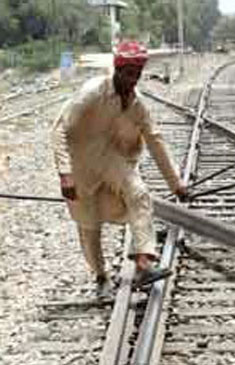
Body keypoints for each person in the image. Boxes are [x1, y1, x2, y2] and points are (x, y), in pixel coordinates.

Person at [51, 41, 188, 298]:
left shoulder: (137, 105)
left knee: (138, 193)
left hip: (108, 158)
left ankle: (143, 263)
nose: (133, 79)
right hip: (78, 159)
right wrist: (65, 173)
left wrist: (175, 184)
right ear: (117, 69)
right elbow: (59, 130)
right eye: (128, 73)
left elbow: (156, 142)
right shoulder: (92, 92)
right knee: (89, 225)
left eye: (137, 74)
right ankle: (101, 277)